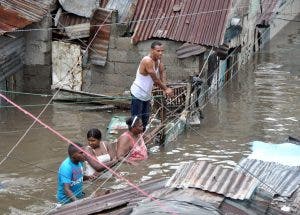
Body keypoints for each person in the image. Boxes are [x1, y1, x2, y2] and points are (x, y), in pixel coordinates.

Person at [130, 41, 174, 131]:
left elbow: (162, 71)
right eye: (158, 51)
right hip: (138, 93)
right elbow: (155, 79)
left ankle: (142, 138)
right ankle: (132, 139)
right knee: (136, 119)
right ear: (152, 50)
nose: (161, 53)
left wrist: (165, 86)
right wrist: (166, 89)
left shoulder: (158, 60)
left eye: (162, 51)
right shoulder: (147, 61)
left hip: (147, 95)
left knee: (145, 118)